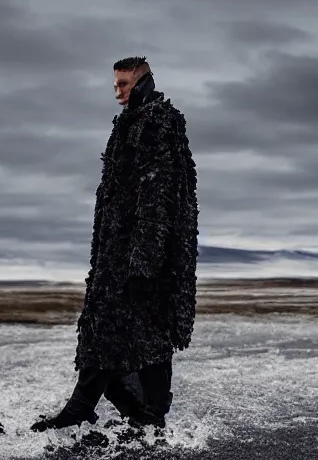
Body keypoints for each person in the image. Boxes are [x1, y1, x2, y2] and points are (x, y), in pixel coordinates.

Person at [32, 56, 199, 433]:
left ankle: (137, 411)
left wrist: (144, 263)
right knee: (118, 328)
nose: (118, 93)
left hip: (141, 253)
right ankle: (130, 410)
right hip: (118, 251)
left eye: (124, 85)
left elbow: (157, 195)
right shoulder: (129, 123)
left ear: (142, 82)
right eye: (115, 86)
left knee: (145, 329)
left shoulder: (158, 121)